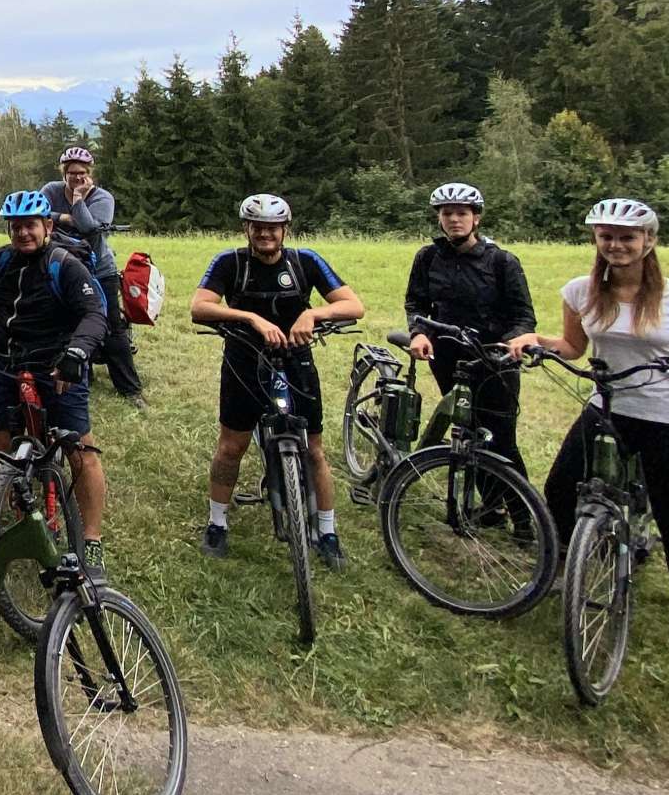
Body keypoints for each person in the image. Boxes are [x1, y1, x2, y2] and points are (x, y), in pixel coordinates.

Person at [507, 198, 669, 654]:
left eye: (627, 237)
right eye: (606, 236)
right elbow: (573, 346)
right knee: (560, 488)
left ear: (649, 240)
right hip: (608, 408)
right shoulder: (580, 292)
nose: (616, 245)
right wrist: (535, 339)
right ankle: (566, 568)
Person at [190, 193, 363, 567]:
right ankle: (217, 523)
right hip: (243, 360)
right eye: (258, 227)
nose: (265, 234)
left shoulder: (305, 261)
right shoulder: (229, 262)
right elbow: (199, 306)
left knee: (314, 450)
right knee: (231, 447)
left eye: (273, 228)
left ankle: (328, 531)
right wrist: (251, 318)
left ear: (285, 229)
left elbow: (353, 305)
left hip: (296, 360)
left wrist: (312, 314)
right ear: (247, 229)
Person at [0, 190, 111, 574]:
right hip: (8, 365)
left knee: (80, 451)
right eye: (16, 227)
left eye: (30, 225)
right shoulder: (0, 261)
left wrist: (76, 354)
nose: (23, 233)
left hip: (58, 367)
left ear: (47, 226)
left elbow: (94, 314)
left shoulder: (65, 265)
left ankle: (92, 539)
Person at [404, 183, 536, 524]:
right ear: (439, 218)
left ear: (476, 218)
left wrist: (513, 341)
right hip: (448, 357)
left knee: (501, 439)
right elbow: (417, 303)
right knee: (467, 431)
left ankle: (525, 519)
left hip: (495, 359)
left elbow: (523, 315)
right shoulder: (428, 257)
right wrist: (419, 332)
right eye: (447, 214)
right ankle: (492, 508)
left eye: (462, 213)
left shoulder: (502, 261)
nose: (454, 220)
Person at [41, 147, 144, 407]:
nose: (77, 177)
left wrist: (77, 200)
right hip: (62, 269)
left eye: (82, 173)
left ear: (90, 173)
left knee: (112, 329)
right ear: (63, 173)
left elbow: (89, 227)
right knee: (63, 322)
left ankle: (130, 389)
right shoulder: (51, 190)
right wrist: (64, 217)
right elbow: (39, 214)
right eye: (71, 173)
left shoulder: (102, 197)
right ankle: (73, 373)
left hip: (99, 270)